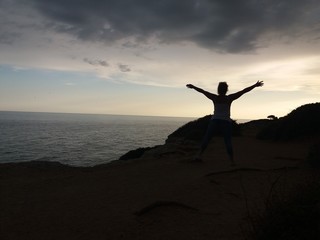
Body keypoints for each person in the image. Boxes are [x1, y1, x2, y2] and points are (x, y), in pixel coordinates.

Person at [186, 80, 264, 165]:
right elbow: (244, 91)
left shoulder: (214, 97)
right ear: (226, 89)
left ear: (218, 89)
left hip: (214, 121)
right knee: (227, 141)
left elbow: (202, 91)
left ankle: (198, 155)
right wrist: (255, 85)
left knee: (207, 138)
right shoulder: (229, 98)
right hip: (226, 122)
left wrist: (193, 87)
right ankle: (232, 161)